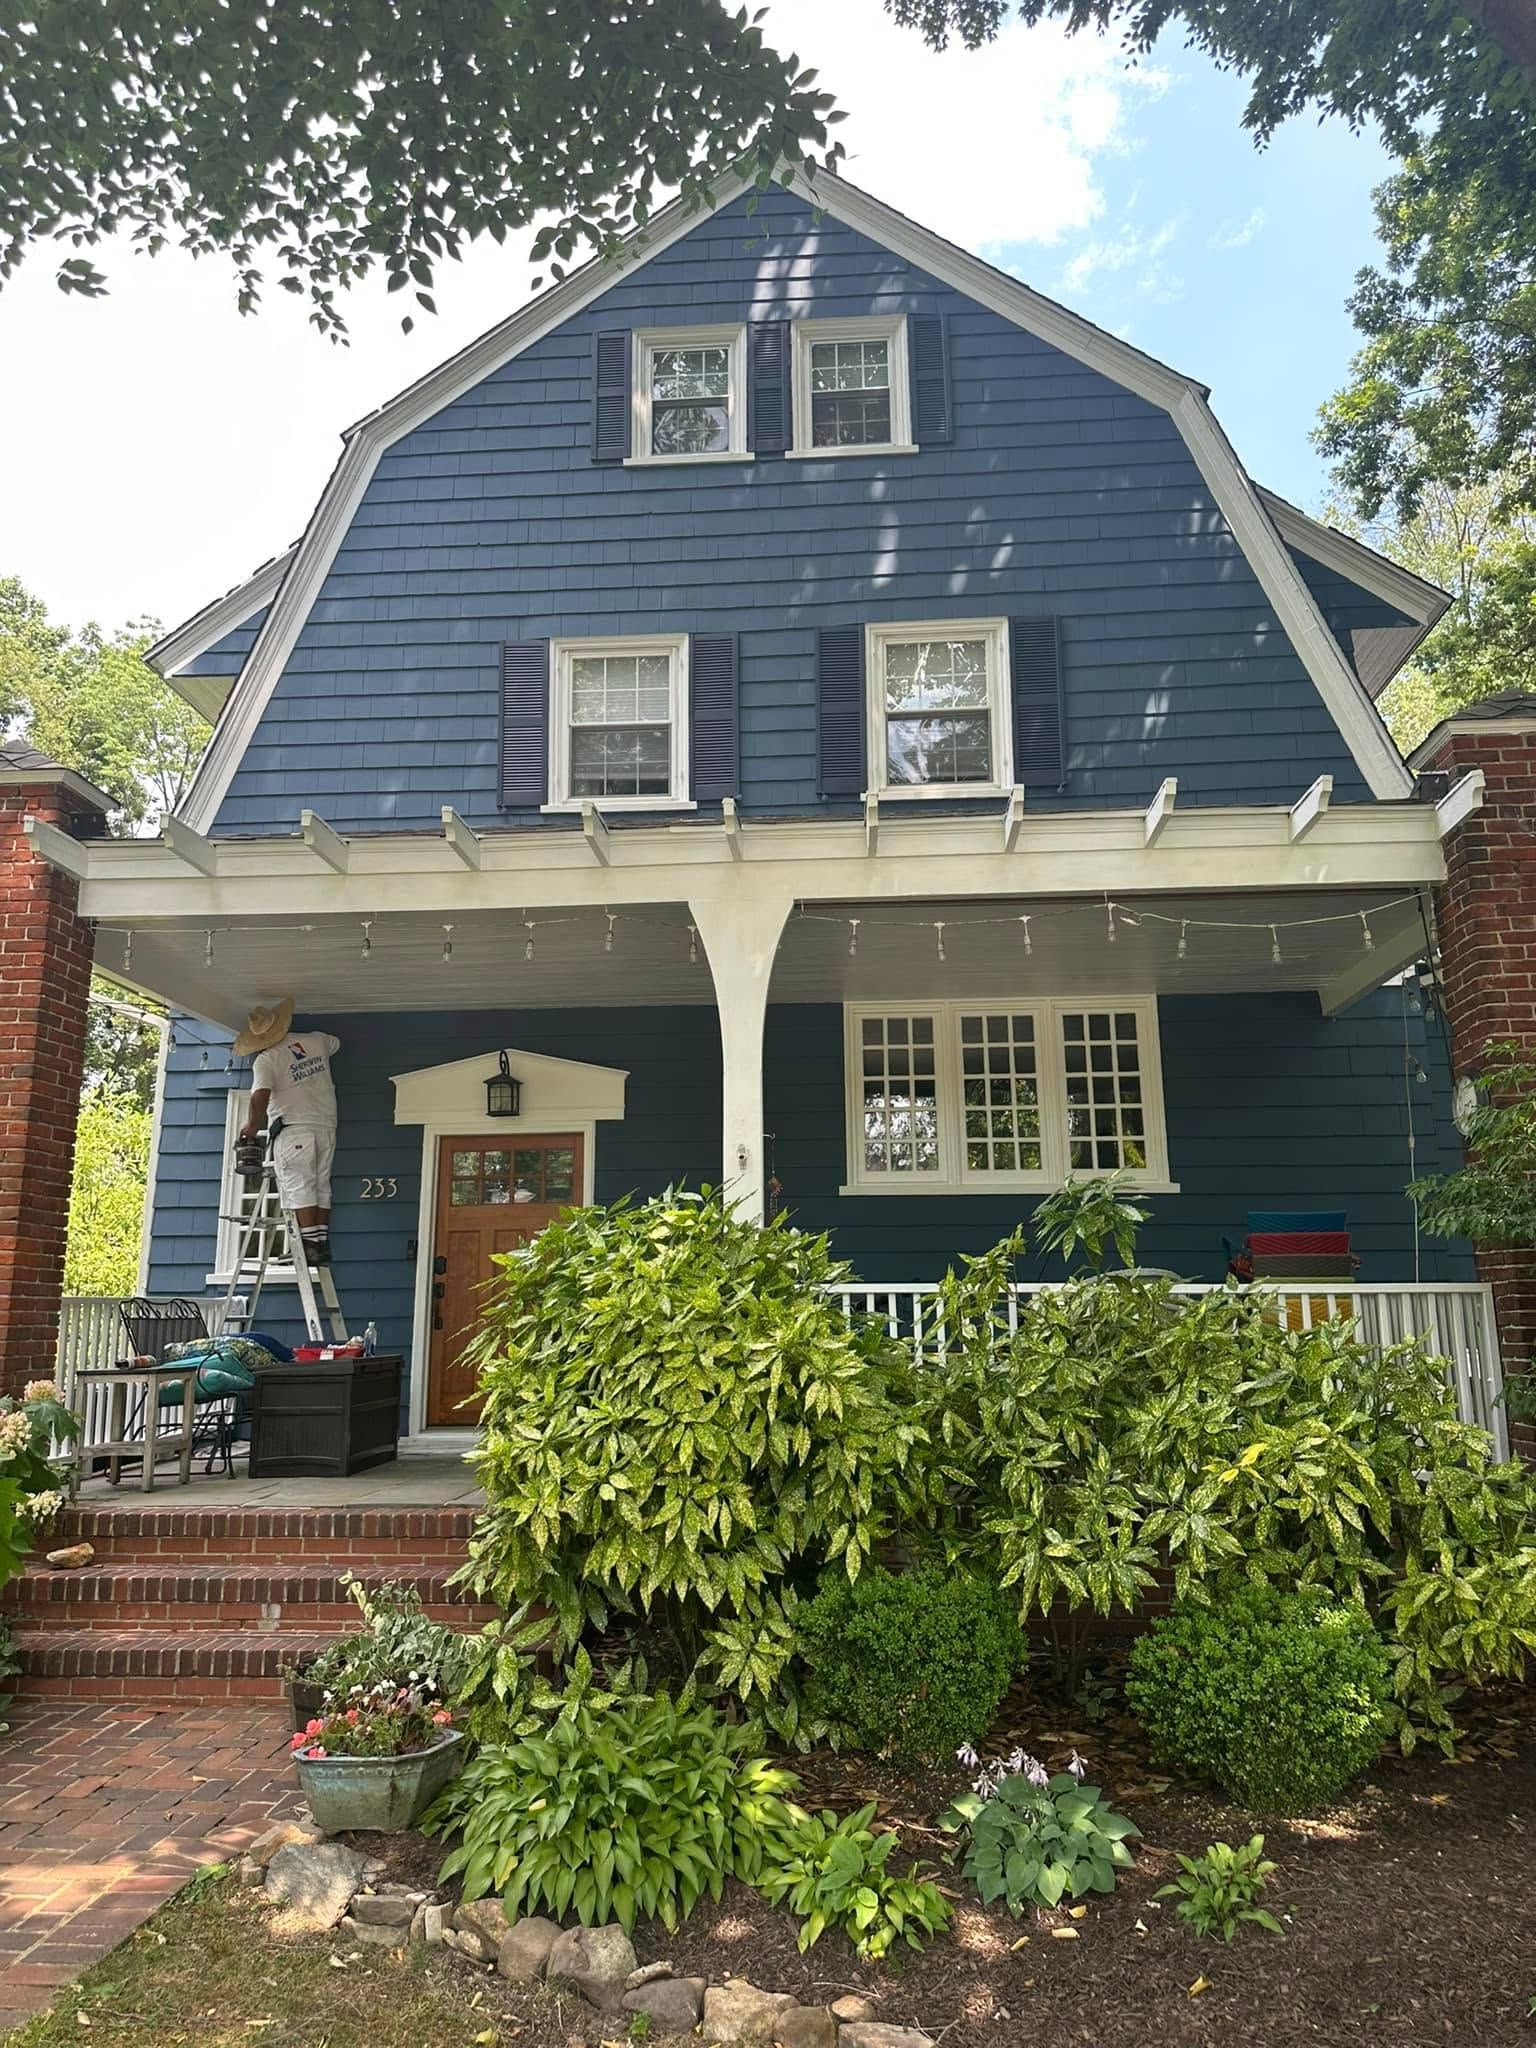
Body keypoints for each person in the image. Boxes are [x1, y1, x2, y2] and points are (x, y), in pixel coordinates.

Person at [233, 997, 341, 1267]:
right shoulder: (317, 1041)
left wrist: (252, 1126)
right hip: (326, 1125)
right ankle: (321, 1244)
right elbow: (334, 1044)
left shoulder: (267, 1060)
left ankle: (308, 1248)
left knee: (299, 1185)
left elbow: (260, 1096)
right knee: (320, 1185)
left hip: (294, 1128)